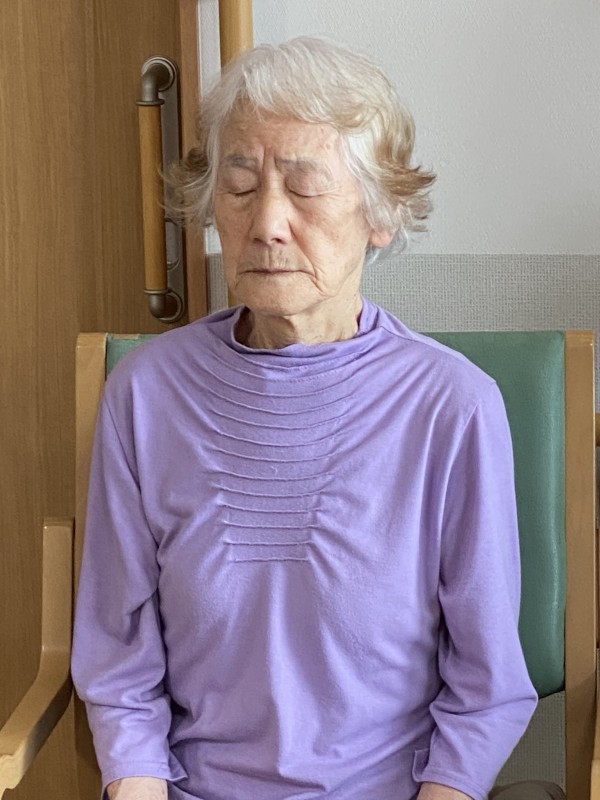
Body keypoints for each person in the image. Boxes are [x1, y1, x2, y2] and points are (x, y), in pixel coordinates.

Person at [72, 37, 539, 800]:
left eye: (305, 187)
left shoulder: (451, 406)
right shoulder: (146, 393)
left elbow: (485, 686)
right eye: (240, 186)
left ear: (380, 213)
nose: (266, 223)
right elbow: (119, 660)